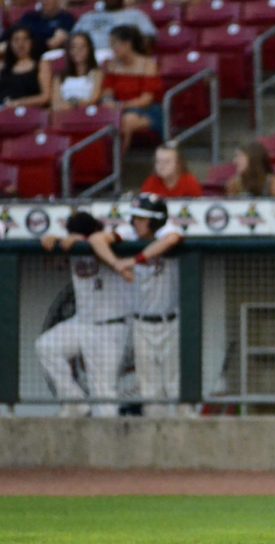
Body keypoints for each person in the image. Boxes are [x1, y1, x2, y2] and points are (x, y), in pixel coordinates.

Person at [87, 194, 187, 417]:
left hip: (170, 321)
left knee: (176, 386)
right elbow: (95, 240)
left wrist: (133, 260)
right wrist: (117, 264)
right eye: (135, 218)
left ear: (155, 220)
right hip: (141, 322)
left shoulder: (168, 230)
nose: (136, 223)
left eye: (142, 218)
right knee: (149, 390)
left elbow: (172, 240)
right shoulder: (130, 233)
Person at [35, 211, 134, 418]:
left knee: (103, 393)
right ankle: (74, 402)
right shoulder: (72, 243)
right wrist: (55, 240)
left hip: (110, 326)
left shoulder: (109, 241)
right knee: (46, 346)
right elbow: (51, 253)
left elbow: (101, 245)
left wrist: (82, 241)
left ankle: (107, 443)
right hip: (82, 323)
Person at [100, 25, 164, 153]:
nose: (112, 49)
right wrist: (108, 101)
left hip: (148, 111)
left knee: (126, 121)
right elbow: (107, 92)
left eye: (115, 44)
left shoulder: (148, 64)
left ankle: (116, 164)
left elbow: (146, 100)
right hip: (120, 109)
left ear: (127, 44)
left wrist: (121, 105)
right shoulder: (112, 65)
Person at [73, 0, 157, 62]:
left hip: (119, 56)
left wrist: (129, 54)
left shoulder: (135, 15)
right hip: (87, 56)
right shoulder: (88, 16)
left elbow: (149, 37)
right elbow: (72, 38)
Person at [0, 25, 52, 107]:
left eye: (25, 39)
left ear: (31, 42)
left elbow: (45, 97)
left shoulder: (41, 64)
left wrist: (18, 103)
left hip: (33, 114)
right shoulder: (3, 67)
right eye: (16, 40)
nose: (20, 44)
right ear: (10, 43)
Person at [0, 0, 74, 57]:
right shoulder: (30, 16)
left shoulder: (66, 18)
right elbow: (13, 31)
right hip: (24, 56)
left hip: (48, 56)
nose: (45, 2)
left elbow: (53, 43)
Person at [51, 32, 103, 110]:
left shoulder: (97, 73)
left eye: (82, 47)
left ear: (90, 49)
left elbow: (94, 99)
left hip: (88, 115)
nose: (78, 50)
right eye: (74, 47)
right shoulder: (59, 76)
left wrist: (74, 105)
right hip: (64, 115)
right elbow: (55, 103)